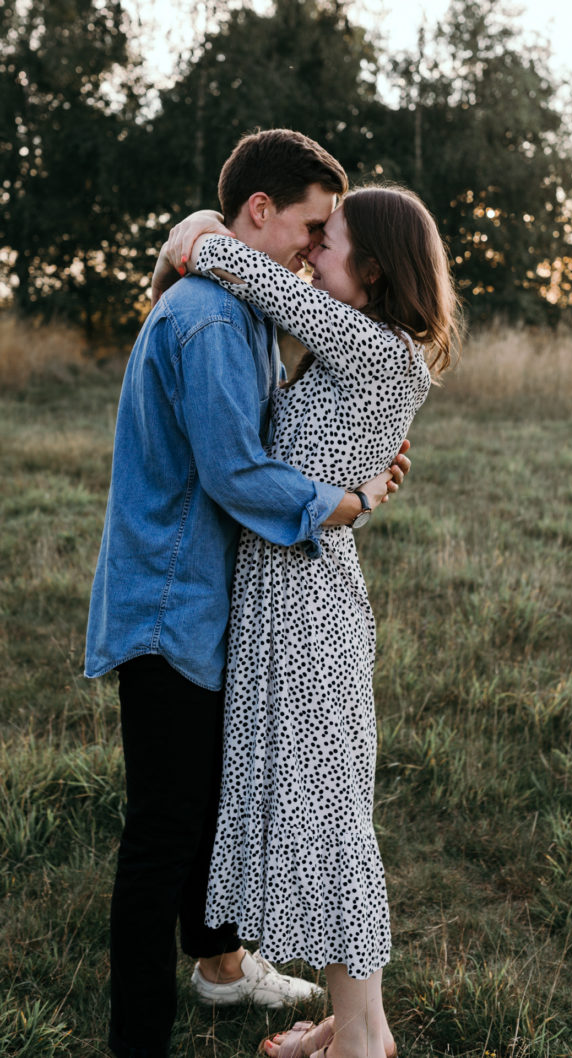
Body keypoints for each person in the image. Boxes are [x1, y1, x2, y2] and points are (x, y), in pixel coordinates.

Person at [84, 129, 410, 1058]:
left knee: (204, 803)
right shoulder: (215, 319)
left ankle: (223, 968)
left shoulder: (247, 306)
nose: (314, 250)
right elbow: (235, 472)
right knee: (164, 828)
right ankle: (140, 1038)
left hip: (209, 597)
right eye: (310, 228)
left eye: (328, 238)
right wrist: (342, 502)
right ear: (259, 213)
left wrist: (356, 476)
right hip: (168, 605)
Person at [158, 181, 458, 1058]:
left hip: (303, 609)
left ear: (369, 268)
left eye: (329, 241)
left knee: (329, 825)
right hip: (290, 598)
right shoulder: (361, 350)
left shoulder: (371, 346)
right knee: (319, 813)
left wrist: (200, 227)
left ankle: (361, 1040)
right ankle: (354, 1019)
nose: (312, 250)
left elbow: (216, 258)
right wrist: (361, 495)